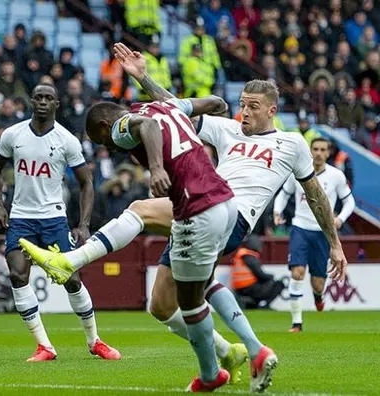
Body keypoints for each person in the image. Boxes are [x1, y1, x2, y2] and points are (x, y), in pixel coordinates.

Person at [22, 43, 348, 393]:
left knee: (141, 211)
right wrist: (144, 78)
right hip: (201, 205)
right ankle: (234, 352)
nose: (245, 113)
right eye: (242, 106)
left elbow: (314, 195)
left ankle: (69, 261)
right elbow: (171, 111)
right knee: (162, 304)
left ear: (272, 110)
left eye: (253, 108)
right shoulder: (227, 129)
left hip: (228, 212)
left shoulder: (292, 143)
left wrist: (335, 244)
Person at [22, 97, 239, 392]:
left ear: (104, 126)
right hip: (224, 202)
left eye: (103, 141)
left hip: (198, 207)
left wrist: (157, 168)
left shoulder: (121, 125)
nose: (109, 147)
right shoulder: (167, 105)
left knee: (191, 303)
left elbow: (146, 126)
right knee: (161, 297)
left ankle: (217, 371)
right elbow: (217, 103)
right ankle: (228, 352)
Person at [0, 84, 120, 362]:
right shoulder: (13, 134)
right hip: (21, 218)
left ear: (57, 104)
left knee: (71, 279)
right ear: (31, 101)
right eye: (39, 97)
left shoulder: (67, 140)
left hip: (54, 219)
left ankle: (94, 340)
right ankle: (44, 346)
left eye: (49, 98)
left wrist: (83, 224)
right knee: (17, 275)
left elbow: (86, 183)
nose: (43, 102)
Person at [273, 137, 355, 332]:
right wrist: (278, 211)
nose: (318, 153)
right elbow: (284, 193)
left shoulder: (336, 176)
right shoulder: (298, 173)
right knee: (297, 272)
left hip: (323, 233)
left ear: (328, 153)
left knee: (317, 284)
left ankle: (318, 297)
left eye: (322, 149)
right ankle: (297, 323)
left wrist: (340, 219)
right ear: (310, 151)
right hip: (300, 228)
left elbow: (349, 202)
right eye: (315, 149)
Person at [231, 235, 285, 309]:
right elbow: (261, 275)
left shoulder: (241, 255)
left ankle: (254, 304)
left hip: (239, 290)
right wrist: (271, 276)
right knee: (279, 284)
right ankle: (265, 305)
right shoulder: (250, 257)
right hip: (250, 288)